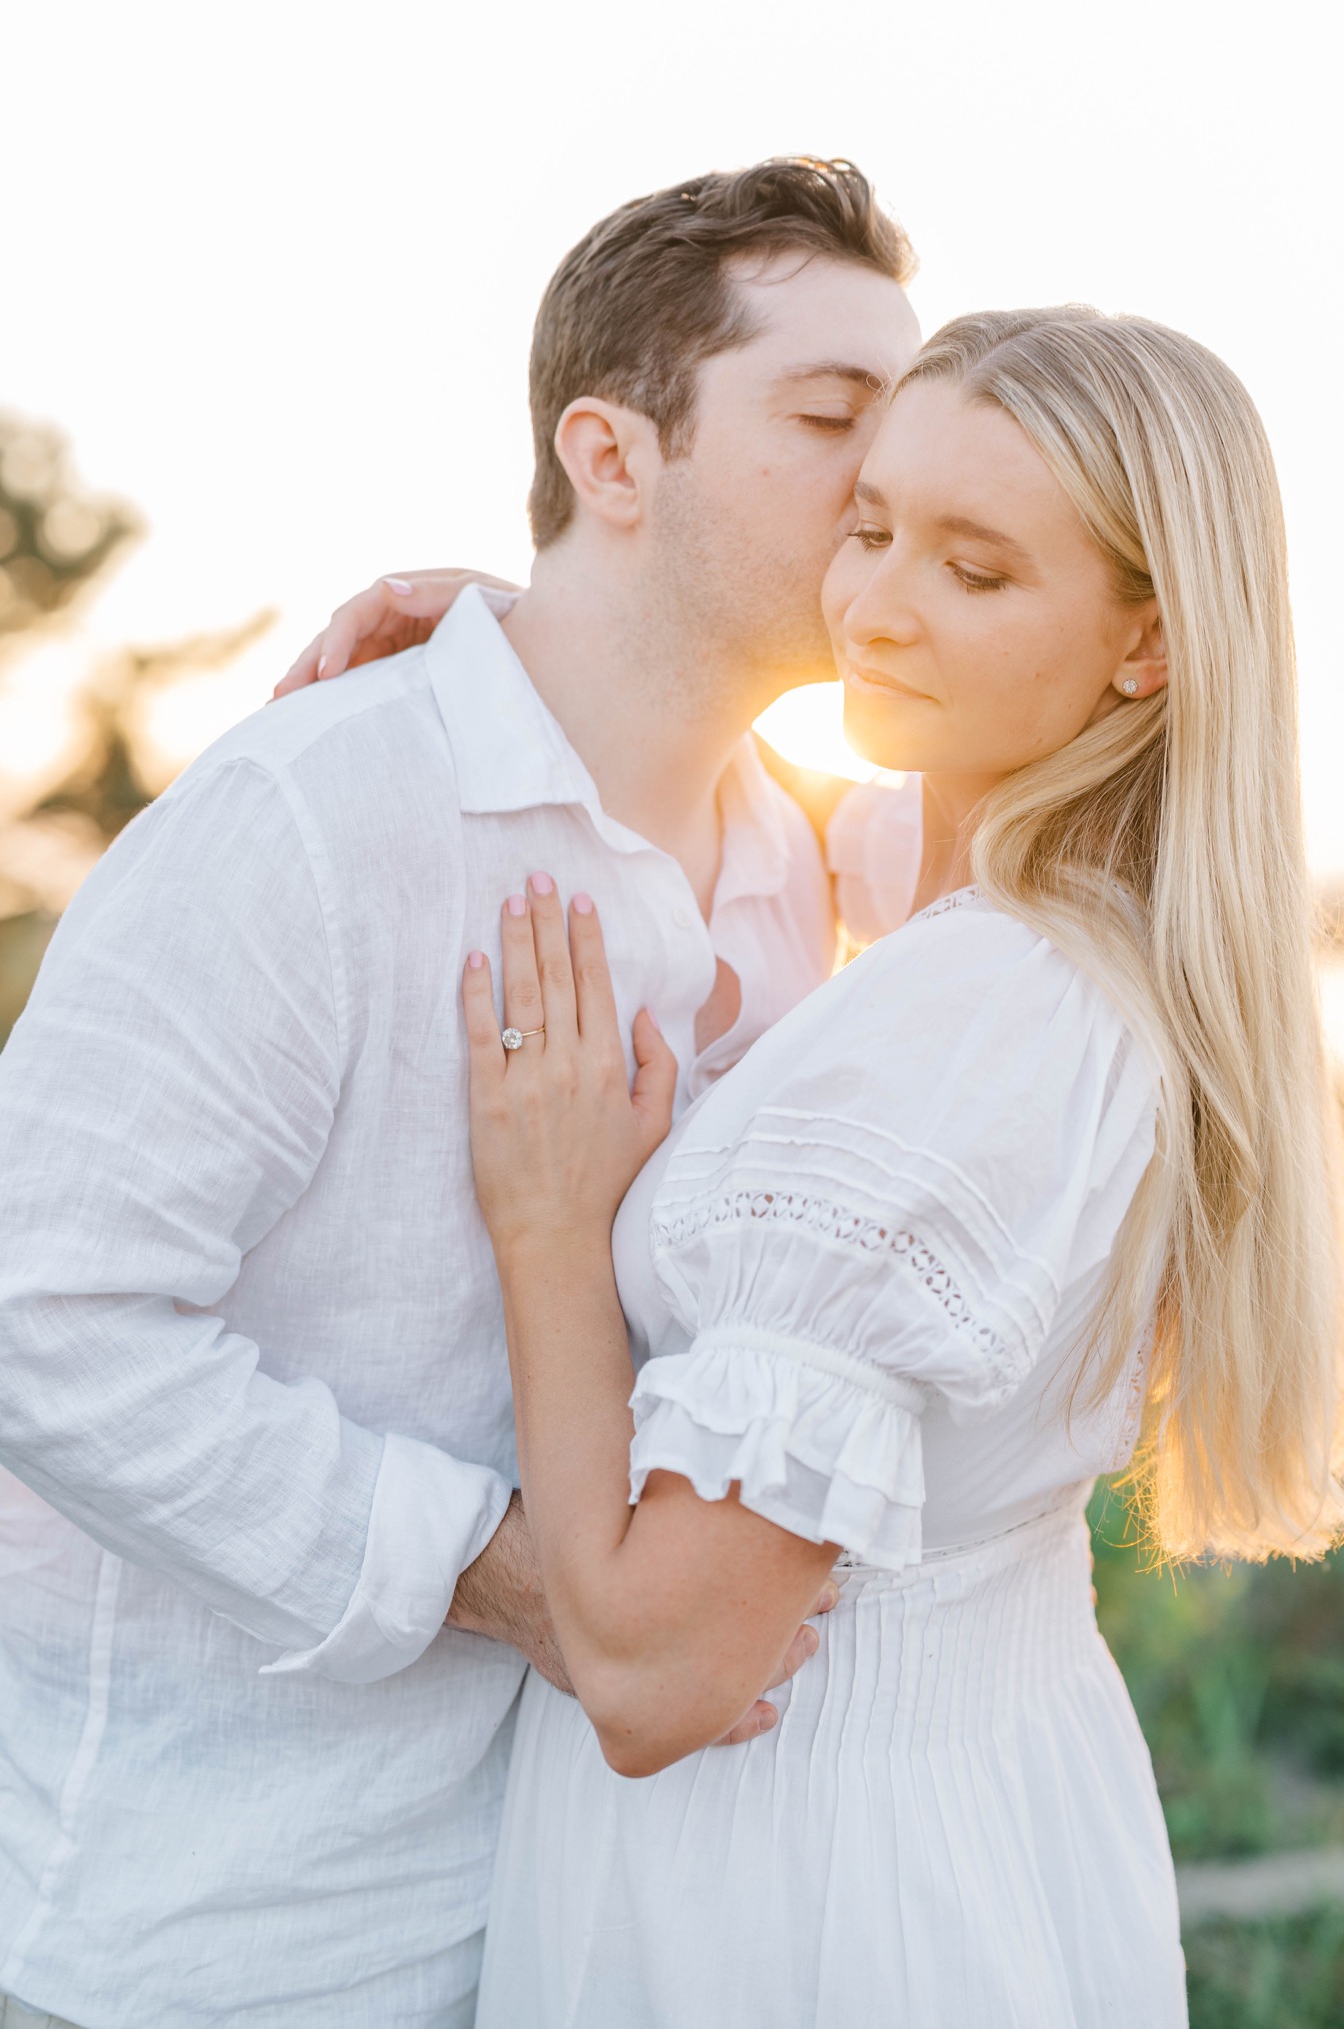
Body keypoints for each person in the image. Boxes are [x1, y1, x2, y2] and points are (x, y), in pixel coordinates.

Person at [366, 307, 1344, 2025]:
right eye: (868, 526)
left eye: (979, 570)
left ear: (1145, 643)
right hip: (975, 1816)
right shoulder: (1055, 920)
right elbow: (824, 821)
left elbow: (653, 1675)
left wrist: (552, 1224)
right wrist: (543, 637)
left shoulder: (963, 1028)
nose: (875, 604)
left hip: (788, 1880)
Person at [0, 158, 920, 2029]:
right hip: (230, 1933)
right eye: (832, 419)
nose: (890, 483)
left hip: (589, 1909)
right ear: (613, 454)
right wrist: (504, 1580)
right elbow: (43, 1309)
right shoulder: (316, 814)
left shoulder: (808, 864)